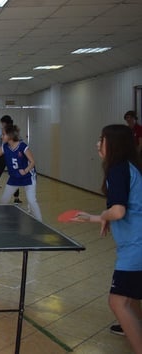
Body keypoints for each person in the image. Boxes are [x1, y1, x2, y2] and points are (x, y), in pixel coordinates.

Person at [70, 124, 142, 349]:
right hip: (134, 244)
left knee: (117, 302)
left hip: (136, 247)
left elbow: (118, 211)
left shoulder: (118, 169)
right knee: (132, 297)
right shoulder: (128, 167)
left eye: (102, 139)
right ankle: (133, 326)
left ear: (114, 144)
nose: (97, 143)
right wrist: (98, 218)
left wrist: (102, 216)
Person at [0, 124, 42, 221]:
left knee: (31, 201)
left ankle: (41, 223)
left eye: (3, 134)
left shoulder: (23, 146)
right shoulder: (4, 147)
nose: (2, 136)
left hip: (28, 177)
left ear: (10, 136)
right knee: (3, 200)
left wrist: (25, 170)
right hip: (14, 177)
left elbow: (32, 162)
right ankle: (1, 220)